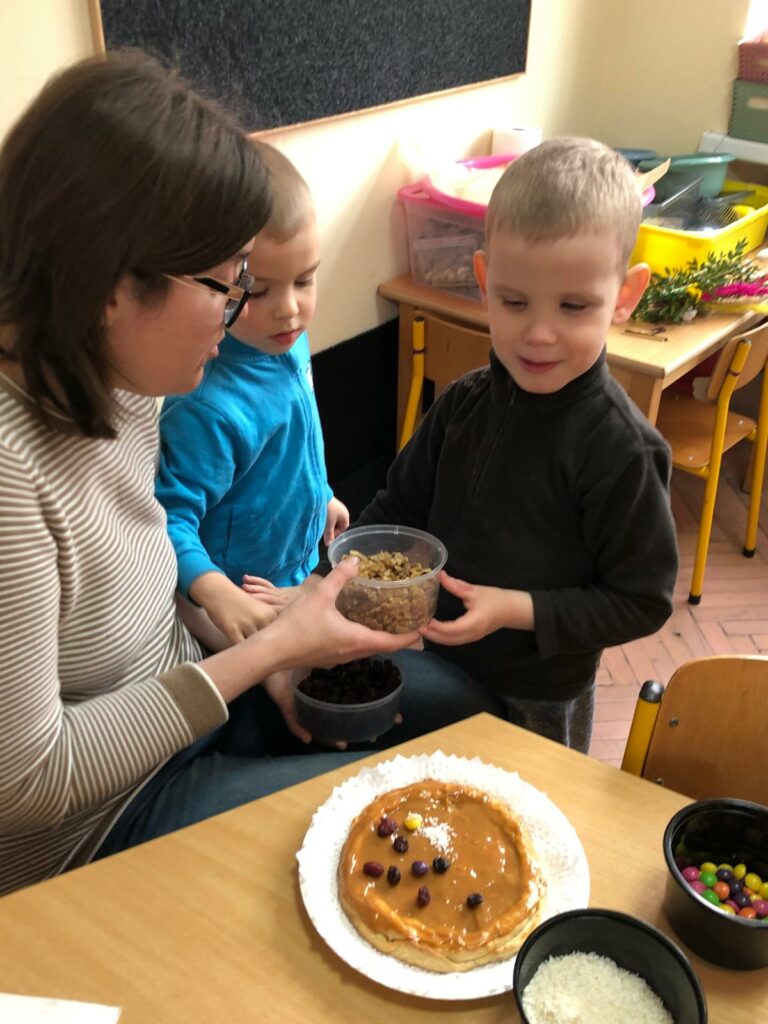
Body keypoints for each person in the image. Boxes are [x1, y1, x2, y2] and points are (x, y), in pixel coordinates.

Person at [0, 52, 500, 896]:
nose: (244, 313)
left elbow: (140, 595)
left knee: (457, 710)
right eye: (230, 285)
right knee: (376, 832)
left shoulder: (118, 383)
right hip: (90, 833)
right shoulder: (14, 476)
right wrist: (262, 652)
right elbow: (29, 782)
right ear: (115, 286)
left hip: (181, 713)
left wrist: (253, 639)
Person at [277, 137, 678, 753]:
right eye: (515, 302)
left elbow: (640, 601)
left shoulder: (622, 450)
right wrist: (325, 583)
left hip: (539, 692)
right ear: (484, 281)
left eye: (574, 306)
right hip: (433, 658)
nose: (539, 333)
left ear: (625, 297)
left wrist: (516, 609)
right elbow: (397, 509)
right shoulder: (463, 402)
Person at [156, 143, 347, 646]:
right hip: (236, 603)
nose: (289, 310)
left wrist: (319, 496)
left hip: (296, 570)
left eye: (305, 280)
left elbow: (292, 439)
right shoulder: (205, 405)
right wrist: (213, 588)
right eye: (258, 291)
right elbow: (169, 518)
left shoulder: (288, 342)